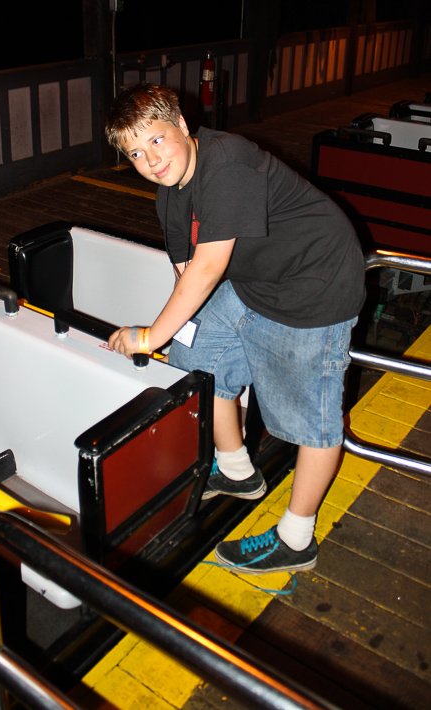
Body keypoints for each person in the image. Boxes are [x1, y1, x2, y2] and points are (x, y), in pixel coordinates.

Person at [105, 83, 365, 574]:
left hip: (314, 286)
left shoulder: (227, 163)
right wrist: (176, 332)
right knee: (196, 358)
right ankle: (238, 471)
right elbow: (188, 276)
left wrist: (148, 336)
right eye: (136, 154)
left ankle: (297, 538)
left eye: (157, 141)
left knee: (311, 422)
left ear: (182, 126)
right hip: (254, 285)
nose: (151, 161)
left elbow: (207, 269)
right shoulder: (170, 193)